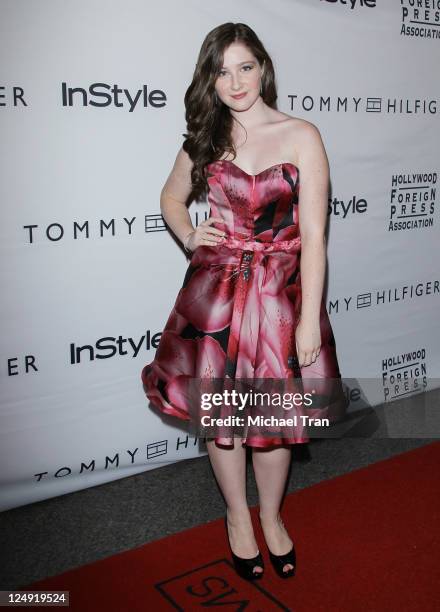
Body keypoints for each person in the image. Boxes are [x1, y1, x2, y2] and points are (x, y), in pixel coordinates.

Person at [142, 22, 347, 581]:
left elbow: (314, 238)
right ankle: (238, 517)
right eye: (222, 70)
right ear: (210, 79)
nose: (235, 81)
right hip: (217, 296)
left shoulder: (303, 134)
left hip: (280, 298)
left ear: (263, 67)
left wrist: (308, 323)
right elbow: (170, 195)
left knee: (275, 420)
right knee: (223, 416)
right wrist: (189, 233)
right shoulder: (205, 137)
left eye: (245, 67)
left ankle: (272, 517)